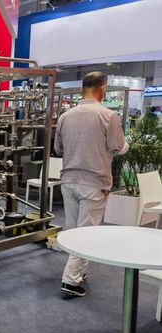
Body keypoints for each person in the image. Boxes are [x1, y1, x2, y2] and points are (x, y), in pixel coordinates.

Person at [54, 72, 129, 297]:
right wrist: (126, 145)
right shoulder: (108, 115)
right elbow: (118, 147)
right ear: (103, 89)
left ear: (81, 90)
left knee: (73, 231)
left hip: (68, 180)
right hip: (95, 182)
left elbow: (58, 149)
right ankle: (70, 280)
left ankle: (78, 271)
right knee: (86, 233)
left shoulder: (65, 116)